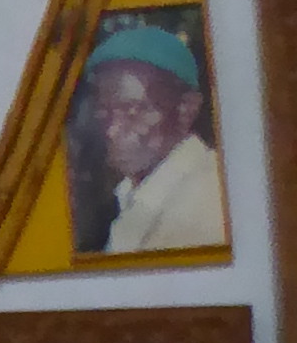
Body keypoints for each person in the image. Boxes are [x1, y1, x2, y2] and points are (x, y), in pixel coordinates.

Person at [81, 26, 227, 256]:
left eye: (132, 110)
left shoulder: (210, 199)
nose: (112, 130)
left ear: (186, 109)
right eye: (103, 111)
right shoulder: (138, 191)